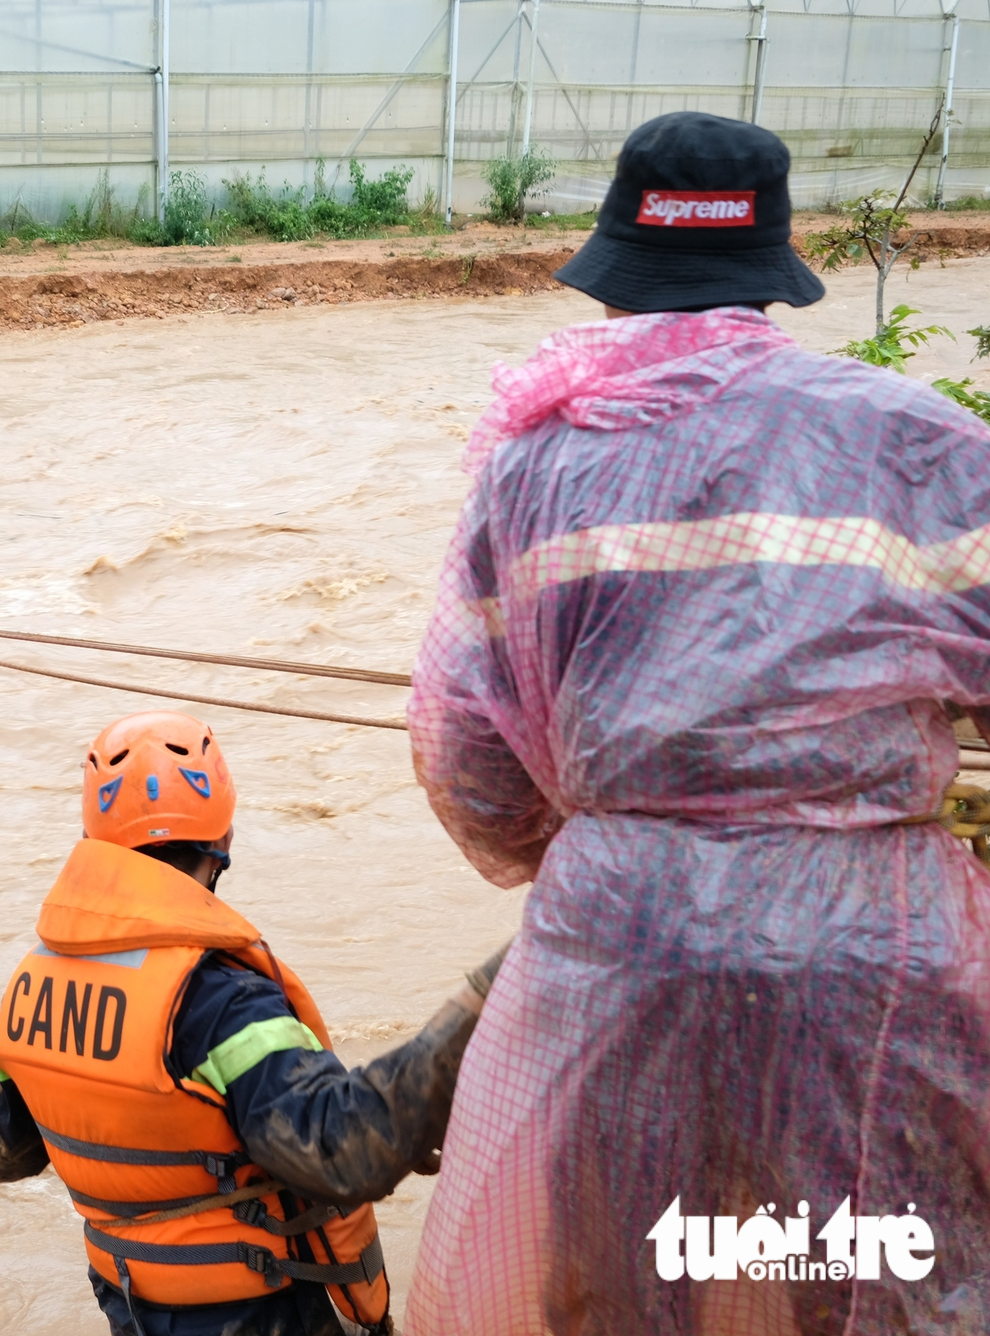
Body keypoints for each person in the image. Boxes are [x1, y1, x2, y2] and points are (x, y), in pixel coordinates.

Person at [405, 111, 990, 1335]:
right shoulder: (924, 440)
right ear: (769, 270)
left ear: (616, 263)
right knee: (884, 1261)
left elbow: (464, 745)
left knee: (626, 1274)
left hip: (619, 931)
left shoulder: (532, 463)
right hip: (867, 932)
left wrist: (589, 846)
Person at [0, 709, 510, 1336]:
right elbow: (342, 1153)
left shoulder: (32, 985)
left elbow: (1, 1154)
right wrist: (495, 992)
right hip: (259, 1310)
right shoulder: (218, 997)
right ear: (223, 836)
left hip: (132, 1306)